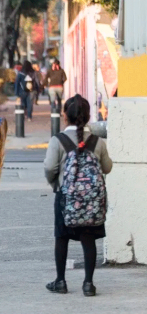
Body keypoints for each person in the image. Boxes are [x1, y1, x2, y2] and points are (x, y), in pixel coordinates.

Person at [44, 94, 113, 297]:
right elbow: (107, 168)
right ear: (88, 116)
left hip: (66, 198)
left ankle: (60, 281)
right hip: (91, 202)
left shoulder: (58, 140)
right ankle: (88, 284)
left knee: (61, 237)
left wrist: (55, 183)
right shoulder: (97, 142)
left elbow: (49, 167)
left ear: (65, 116)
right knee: (88, 238)